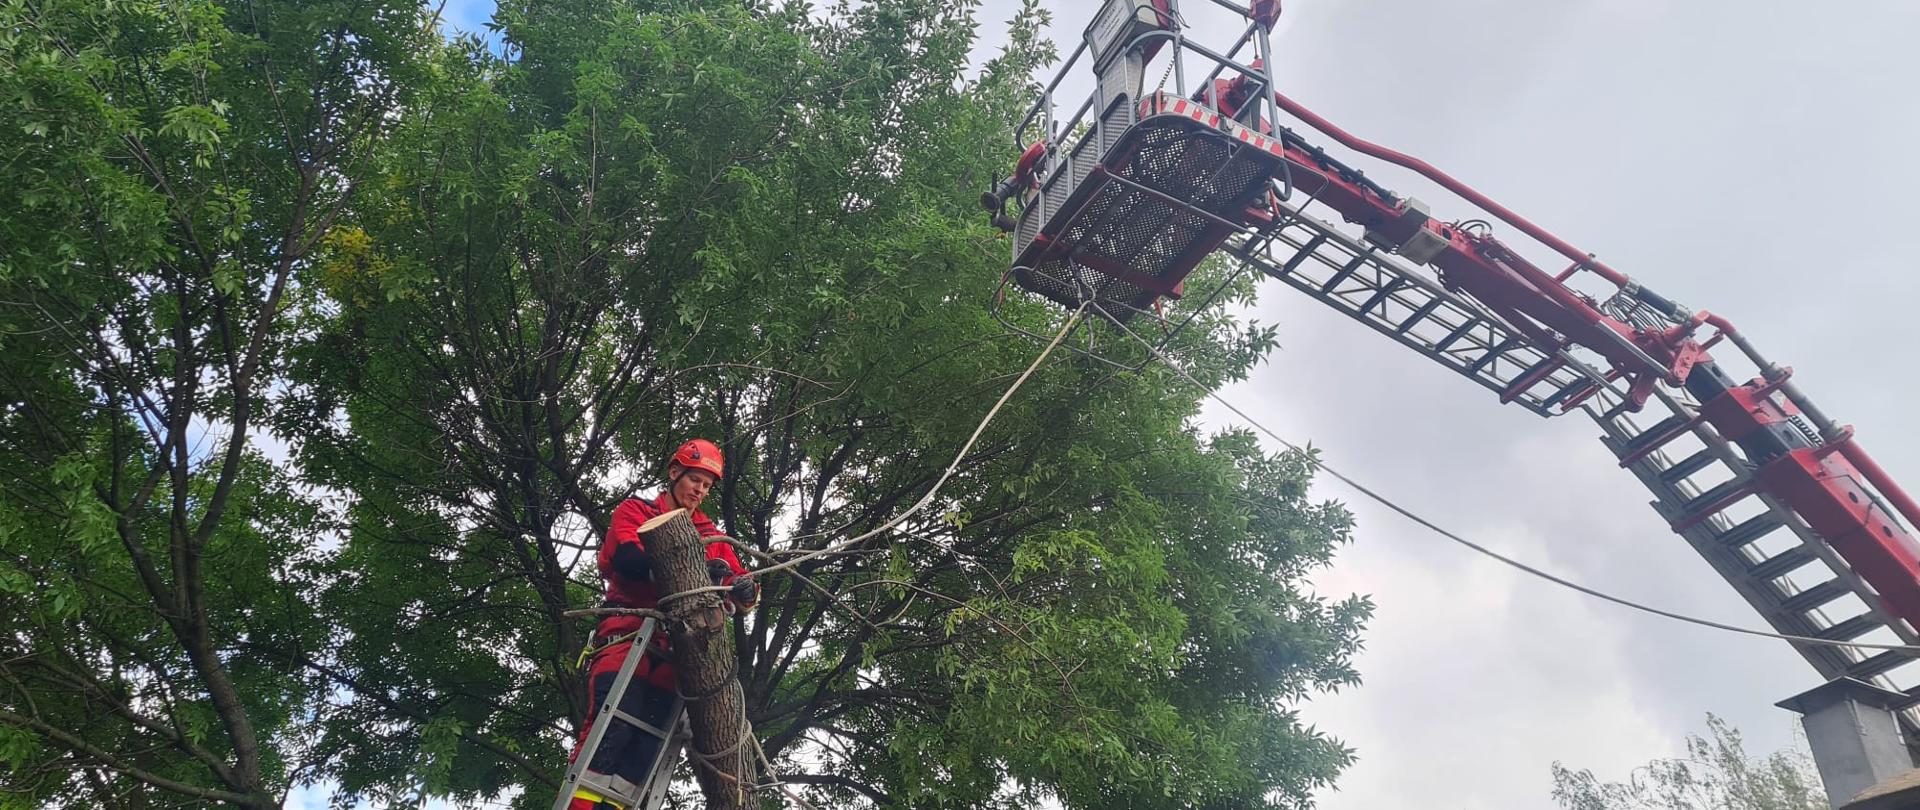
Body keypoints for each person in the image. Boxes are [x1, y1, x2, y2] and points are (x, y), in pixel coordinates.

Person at [568, 439, 758, 810]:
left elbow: (740, 584)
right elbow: (629, 561)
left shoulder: (710, 534)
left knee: (641, 756)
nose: (700, 491)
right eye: (695, 481)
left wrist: (746, 589)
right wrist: (700, 574)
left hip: (674, 659)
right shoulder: (636, 511)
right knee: (611, 737)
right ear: (675, 473)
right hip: (627, 642)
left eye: (706, 485)